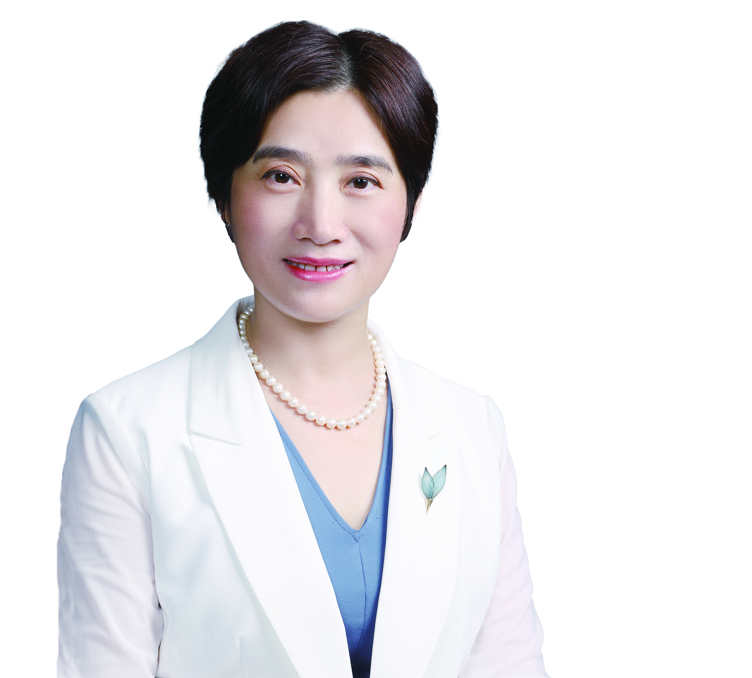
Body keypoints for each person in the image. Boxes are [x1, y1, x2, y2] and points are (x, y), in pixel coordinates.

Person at [57, 20, 548, 678]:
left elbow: (510, 664)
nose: (320, 224)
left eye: (361, 181)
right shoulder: (126, 432)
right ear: (224, 195)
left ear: (410, 203)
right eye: (281, 176)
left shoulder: (472, 429)